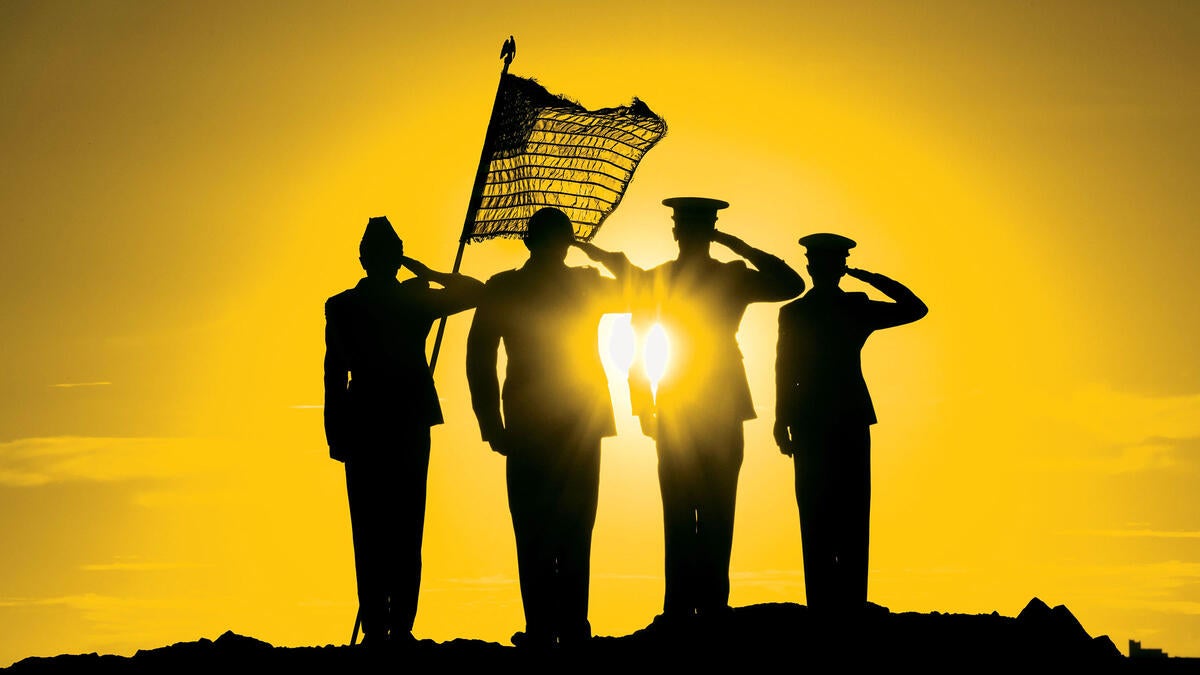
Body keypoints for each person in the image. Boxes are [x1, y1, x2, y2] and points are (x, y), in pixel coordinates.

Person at [620, 197, 805, 630]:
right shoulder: (724, 276)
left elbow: (790, 284)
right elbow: (639, 345)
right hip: (696, 396)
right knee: (710, 507)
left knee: (690, 507)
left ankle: (690, 607)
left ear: (676, 231)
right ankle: (699, 607)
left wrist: (642, 404)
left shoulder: (670, 277)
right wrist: (736, 245)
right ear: (703, 232)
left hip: (691, 398)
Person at [465, 206, 637, 649]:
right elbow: (640, 290)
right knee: (572, 526)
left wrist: (491, 423)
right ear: (559, 243)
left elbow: (479, 360)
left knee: (536, 527)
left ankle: (547, 626)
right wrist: (602, 256)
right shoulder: (580, 284)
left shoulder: (505, 287)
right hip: (566, 422)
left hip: (535, 423)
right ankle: (568, 627)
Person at [323, 216, 484, 647]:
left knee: (376, 526)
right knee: (402, 525)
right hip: (398, 421)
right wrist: (427, 274)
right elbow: (474, 290)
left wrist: (335, 433)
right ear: (393, 259)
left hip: (372, 422)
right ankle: (392, 626)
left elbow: (333, 377)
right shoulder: (409, 299)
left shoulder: (343, 306)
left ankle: (385, 626)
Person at [774, 232, 927, 622]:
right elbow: (913, 307)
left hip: (819, 420)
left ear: (812, 267)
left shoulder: (804, 311)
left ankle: (833, 605)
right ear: (834, 267)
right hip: (836, 418)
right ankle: (840, 605)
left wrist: (782, 418)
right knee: (841, 512)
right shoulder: (835, 309)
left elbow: (783, 369)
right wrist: (870, 278)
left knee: (828, 513)